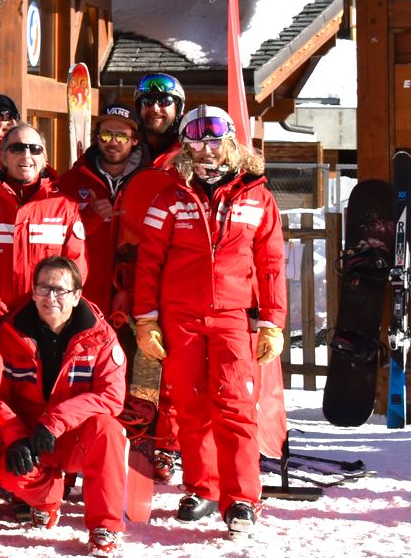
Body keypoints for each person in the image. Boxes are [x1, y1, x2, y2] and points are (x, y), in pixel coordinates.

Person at [132, 105, 285, 537]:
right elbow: (149, 262)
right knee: (190, 405)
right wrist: (147, 320)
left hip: (233, 316)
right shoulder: (170, 195)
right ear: (185, 146)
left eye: (215, 140)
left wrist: (271, 321)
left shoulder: (257, 196)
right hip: (179, 316)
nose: (207, 150)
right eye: (196, 141)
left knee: (235, 406)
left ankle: (241, 499)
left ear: (231, 142)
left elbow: (271, 263)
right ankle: (202, 487)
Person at [0, 256, 128, 557]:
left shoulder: (101, 337)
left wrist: (55, 421)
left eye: (59, 290)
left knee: (108, 429)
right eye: (43, 289)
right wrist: (14, 436)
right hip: (30, 437)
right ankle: (46, 498)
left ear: (77, 295)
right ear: (33, 292)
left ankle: (104, 526)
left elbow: (112, 396)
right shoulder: (10, 334)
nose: (50, 298)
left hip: (74, 436)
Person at [112, 73, 187, 480]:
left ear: (177, 109)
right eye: (148, 102)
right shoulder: (128, 152)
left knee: (168, 362)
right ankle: (139, 433)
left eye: (164, 102)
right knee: (132, 356)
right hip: (127, 267)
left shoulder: (186, 154)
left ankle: (168, 443)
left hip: (174, 270)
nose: (155, 109)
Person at [0, 125, 87, 332]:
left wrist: (49, 309)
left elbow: (75, 267)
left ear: (44, 159)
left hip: (48, 323)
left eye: (35, 149)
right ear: (3, 157)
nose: (27, 154)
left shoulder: (64, 207)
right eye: (17, 148)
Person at [56, 105, 146, 319]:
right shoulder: (71, 181)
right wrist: (92, 217)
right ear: (97, 138)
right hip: (86, 296)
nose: (113, 142)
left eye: (122, 136)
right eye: (106, 134)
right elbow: (57, 238)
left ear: (134, 140)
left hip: (138, 299)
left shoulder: (150, 181)